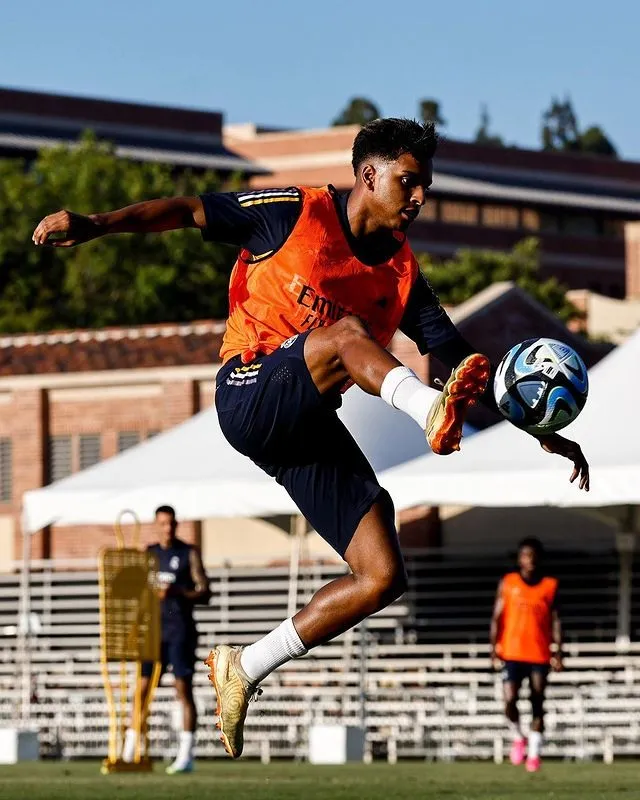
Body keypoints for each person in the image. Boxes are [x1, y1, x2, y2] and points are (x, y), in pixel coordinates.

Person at [33, 117, 589, 759]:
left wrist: (537, 427)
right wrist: (96, 224)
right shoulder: (295, 211)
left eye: (425, 187)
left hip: (304, 424)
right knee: (349, 334)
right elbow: (188, 211)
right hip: (247, 392)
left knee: (383, 574)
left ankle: (246, 664)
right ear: (368, 175)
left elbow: (465, 362)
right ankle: (422, 407)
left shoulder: (405, 277)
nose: (419, 198)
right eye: (409, 182)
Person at [121, 505, 210, 773]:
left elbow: (204, 591)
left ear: (176, 524)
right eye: (162, 523)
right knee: (142, 689)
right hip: (153, 632)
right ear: (156, 524)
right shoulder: (149, 554)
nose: (167, 528)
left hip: (180, 631)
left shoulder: (188, 553)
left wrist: (177, 591)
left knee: (182, 690)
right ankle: (130, 749)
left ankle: (186, 755)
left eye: (171, 523)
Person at [490, 537, 563, 772]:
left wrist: (558, 651)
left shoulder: (550, 585)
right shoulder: (509, 583)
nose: (529, 560)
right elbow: (497, 617)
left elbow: (556, 620)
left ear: (539, 558)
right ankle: (518, 736)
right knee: (509, 699)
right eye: (525, 555)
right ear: (519, 558)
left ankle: (534, 753)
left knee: (537, 701)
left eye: (533, 556)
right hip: (511, 652)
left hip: (539, 653)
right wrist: (493, 648)